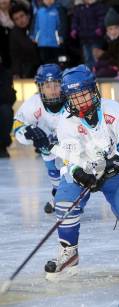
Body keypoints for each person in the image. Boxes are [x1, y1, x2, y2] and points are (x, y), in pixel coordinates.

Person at [44, 65, 119, 278]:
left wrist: (118, 159)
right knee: (64, 204)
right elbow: (69, 157)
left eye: (84, 95)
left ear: (94, 91)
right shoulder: (65, 122)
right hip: (83, 173)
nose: (81, 102)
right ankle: (69, 252)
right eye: (75, 97)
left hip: (114, 171)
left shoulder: (115, 111)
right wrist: (80, 174)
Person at [13, 64, 64, 213]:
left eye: (56, 85)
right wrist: (29, 133)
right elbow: (18, 125)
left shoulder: (71, 101)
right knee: (53, 168)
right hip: (49, 150)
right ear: (40, 88)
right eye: (48, 86)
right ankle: (59, 194)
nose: (53, 90)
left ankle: (66, 196)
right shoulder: (33, 103)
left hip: (75, 148)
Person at [0, 57, 16, 158]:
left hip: (2, 104)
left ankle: (2, 146)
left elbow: (9, 96)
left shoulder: (5, 73)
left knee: (6, 111)